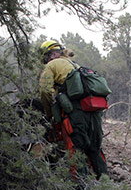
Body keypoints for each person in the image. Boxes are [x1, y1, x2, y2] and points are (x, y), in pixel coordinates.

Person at [38, 39, 109, 178]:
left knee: (75, 149)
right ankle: (107, 186)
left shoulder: (52, 65)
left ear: (49, 54)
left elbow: (45, 91)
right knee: (94, 150)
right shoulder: (75, 65)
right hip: (94, 113)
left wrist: (48, 114)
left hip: (75, 114)